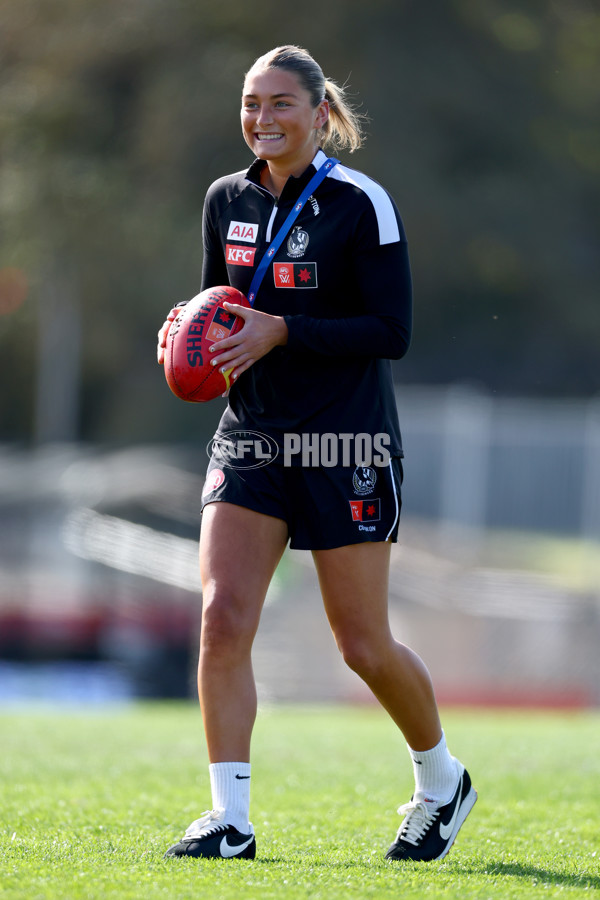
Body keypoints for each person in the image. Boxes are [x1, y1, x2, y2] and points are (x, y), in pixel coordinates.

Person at [157, 45, 476, 863]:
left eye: (281, 104)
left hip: (346, 439)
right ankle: (229, 819)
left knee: (362, 644)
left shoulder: (362, 203)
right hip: (253, 437)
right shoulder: (224, 197)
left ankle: (441, 780)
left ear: (319, 112)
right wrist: (181, 331)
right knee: (223, 619)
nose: (262, 119)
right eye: (251, 102)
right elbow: (217, 306)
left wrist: (285, 329)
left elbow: (392, 332)